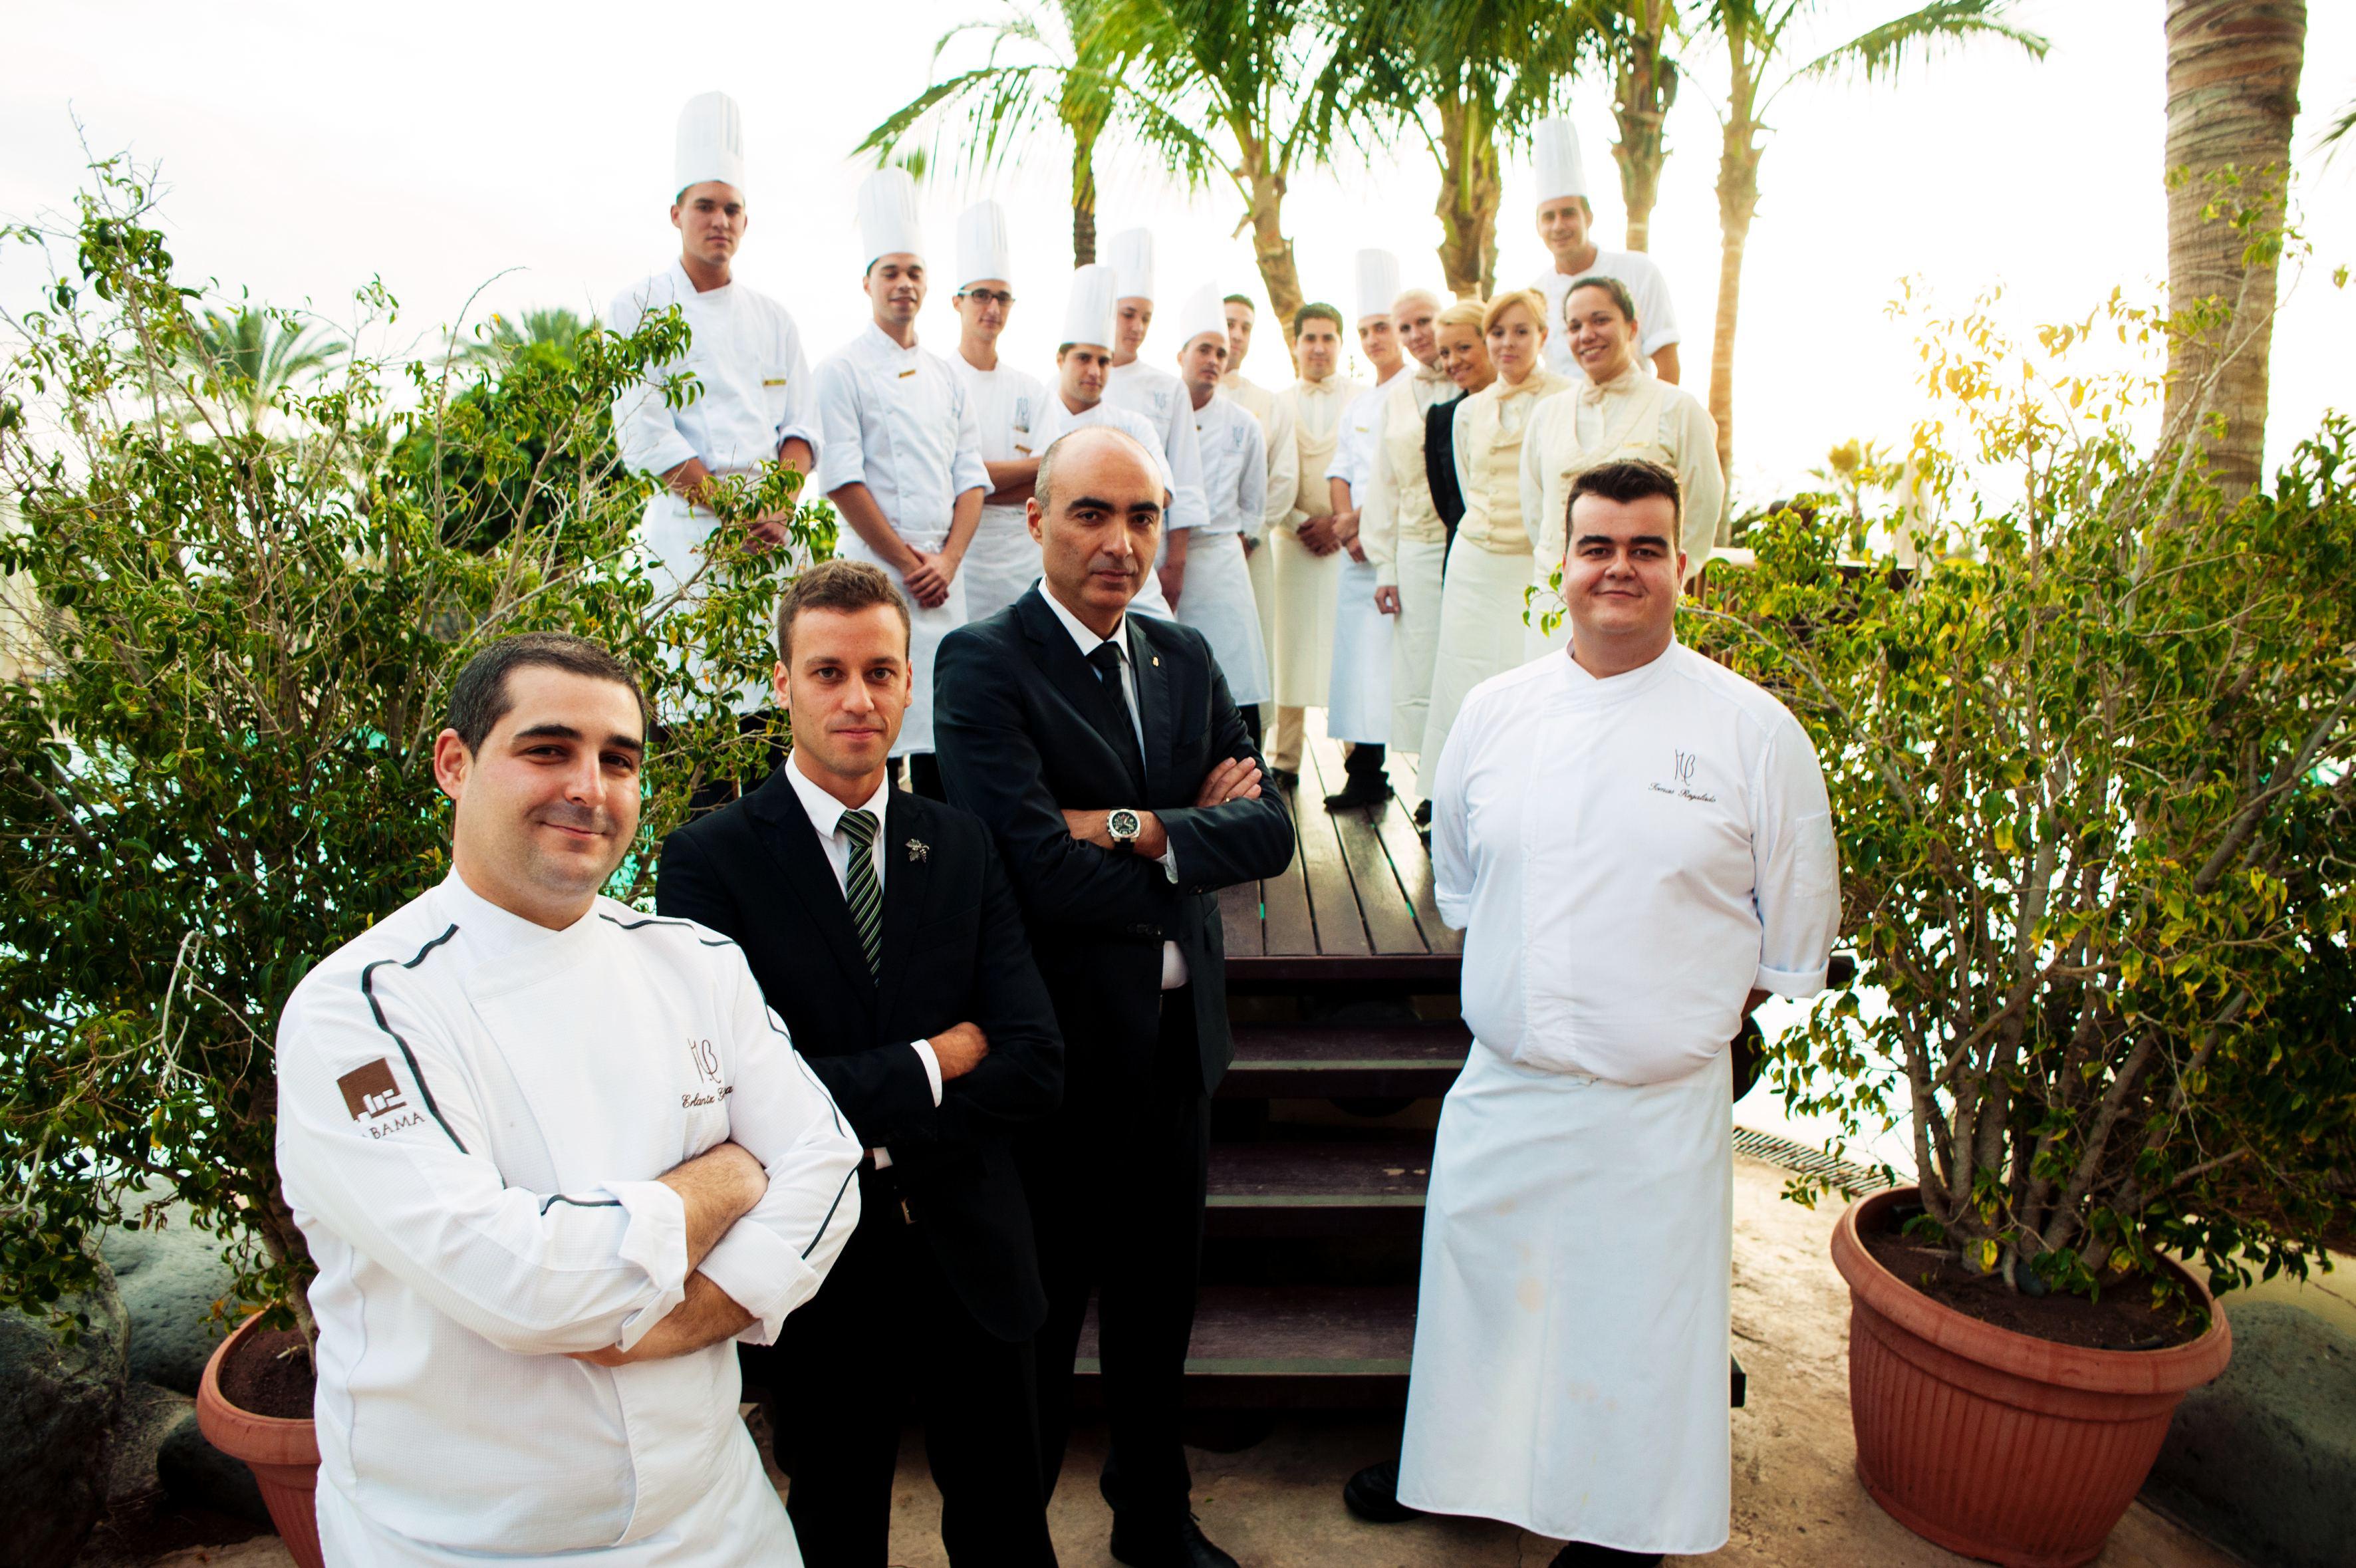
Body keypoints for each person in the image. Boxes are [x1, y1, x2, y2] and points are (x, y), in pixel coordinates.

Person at [276, 632, 864, 1567]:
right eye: (548, 750)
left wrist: (693, 1312)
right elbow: (523, 1283)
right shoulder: (362, 1012)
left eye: (618, 760)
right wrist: (725, 1179)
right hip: (462, 1546)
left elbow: (827, 1166)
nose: (590, 788)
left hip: (718, 1518)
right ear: (454, 763)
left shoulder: (694, 961)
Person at [1345, 459, 1841, 1566]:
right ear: (1558, 563)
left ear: (1683, 568)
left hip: (1654, 1106)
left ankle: (1622, 1532)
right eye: (1597, 546)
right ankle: (1460, 1472)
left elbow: (1788, 938)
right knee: (1484, 1301)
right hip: (1505, 1081)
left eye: (1644, 547)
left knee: (1634, 1333)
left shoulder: (1755, 734)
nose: (1619, 568)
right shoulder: (1492, 713)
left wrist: (1664, 1019)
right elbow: (1464, 883)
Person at [934, 426, 1295, 1568]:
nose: (1119, 542)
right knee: (1034, 1323)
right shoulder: (983, 663)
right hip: (1058, 1050)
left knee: (1156, 1308)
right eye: (1091, 512)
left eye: (1141, 516)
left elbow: (1270, 832)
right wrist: (1192, 837)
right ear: (1036, 518)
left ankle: (1151, 1516)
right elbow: (1032, 869)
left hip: (1177, 1048)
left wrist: (1129, 825)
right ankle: (1015, 1543)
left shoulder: (1182, 654)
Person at [656, 561, 1064, 1567]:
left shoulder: (962, 844)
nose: (857, 699)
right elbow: (736, 1098)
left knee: (1009, 1529)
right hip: (821, 1266)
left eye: (880, 672)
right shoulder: (709, 860)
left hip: (976, 1247)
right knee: (835, 1528)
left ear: (909, 682)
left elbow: (1032, 1061)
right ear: (783, 681)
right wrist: (935, 1057)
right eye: (828, 672)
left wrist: (847, 1102)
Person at [607, 92, 820, 785]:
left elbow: (801, 429)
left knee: (774, 735)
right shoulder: (637, 306)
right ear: (676, 214)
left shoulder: (774, 318)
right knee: (692, 737)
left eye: (731, 209)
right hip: (686, 546)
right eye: (705, 206)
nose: (719, 221)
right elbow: (645, 433)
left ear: (746, 221)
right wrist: (733, 511)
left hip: (771, 549)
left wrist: (776, 507)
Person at [813, 168, 988, 799]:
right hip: (876, 573)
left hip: (945, 581)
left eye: (914, 272)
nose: (904, 284)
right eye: (890, 272)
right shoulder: (840, 370)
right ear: (867, 283)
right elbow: (843, 480)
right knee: (872, 728)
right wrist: (908, 564)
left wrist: (948, 561)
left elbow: (972, 478)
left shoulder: (948, 376)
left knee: (946, 737)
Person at [1415, 289, 1570, 797]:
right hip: (1474, 565)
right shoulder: (1467, 412)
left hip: (1535, 566)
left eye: (1521, 331)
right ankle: (1456, 795)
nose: (1508, 343)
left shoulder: (1566, 400)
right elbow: (1465, 486)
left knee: (1530, 677)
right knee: (1463, 676)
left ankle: (1526, 796)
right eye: (1497, 333)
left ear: (1542, 336)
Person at [1521, 275, 1724, 658]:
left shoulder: (1678, 409)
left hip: (1640, 607)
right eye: (1575, 326)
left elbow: (1702, 510)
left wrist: (1659, 585)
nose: (1587, 335)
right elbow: (1536, 511)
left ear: (1632, 326)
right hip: (1554, 602)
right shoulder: (1547, 414)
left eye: (1600, 320)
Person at [1029, 264, 1180, 620]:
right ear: (1060, 360)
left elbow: (1162, 494)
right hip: (1046, 569)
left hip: (1126, 579)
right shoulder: (1037, 416)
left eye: (1104, 361)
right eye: (1084, 359)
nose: (1095, 371)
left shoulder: (1133, 424)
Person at [1359, 286, 1459, 817]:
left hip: (1469, 544)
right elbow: (1384, 484)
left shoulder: (1476, 377)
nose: (1417, 334)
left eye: (1425, 321)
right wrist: (1385, 566)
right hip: (1416, 547)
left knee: (1467, 662)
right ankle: (1432, 786)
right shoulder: (1396, 398)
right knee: (1422, 666)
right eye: (1406, 327)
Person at [1317, 251, 1410, 811]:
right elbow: (1340, 471)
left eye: (1383, 327)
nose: (1375, 339)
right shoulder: (1358, 403)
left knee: (1411, 660)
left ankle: (1429, 783)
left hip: (1404, 545)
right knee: (1359, 663)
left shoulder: (1421, 391)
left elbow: (1407, 474)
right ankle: (1365, 774)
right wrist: (1348, 527)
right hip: (1357, 555)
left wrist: (1365, 524)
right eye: (1366, 331)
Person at [1168, 283, 1274, 743]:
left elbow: (1254, 504)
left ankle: (1249, 771)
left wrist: (1238, 545)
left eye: (1221, 353)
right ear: (1181, 355)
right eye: (1204, 350)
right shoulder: (1159, 414)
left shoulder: (1244, 425)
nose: (1213, 360)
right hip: (1165, 561)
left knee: (1236, 673)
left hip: (1222, 561)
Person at [1267, 303, 1367, 789]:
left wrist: (1341, 525)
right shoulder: (1277, 403)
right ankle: (1284, 758)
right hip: (1292, 542)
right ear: (1295, 343)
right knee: (1289, 648)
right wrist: (1302, 522)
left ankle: (1358, 760)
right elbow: (1270, 473)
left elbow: (1372, 467)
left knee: (1346, 649)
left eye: (1329, 338)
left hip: (1349, 543)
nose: (1319, 348)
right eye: (1310, 338)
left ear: (1341, 343)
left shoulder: (1363, 398)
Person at [948, 199, 1052, 622]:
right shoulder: (940, 381)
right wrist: (1029, 468)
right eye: (981, 296)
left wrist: (971, 484)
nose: (992, 308)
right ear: (957, 302)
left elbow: (1050, 479)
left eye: (1003, 298)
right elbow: (942, 478)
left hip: (1023, 557)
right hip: (961, 556)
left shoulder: (1030, 389)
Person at [1528, 116, 1682, 387]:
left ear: (1588, 217)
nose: (1558, 226)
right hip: (1563, 411)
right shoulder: (1535, 295)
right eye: (1549, 217)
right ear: (1538, 227)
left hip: (1633, 407)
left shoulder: (1639, 271)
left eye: (1568, 214)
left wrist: (1654, 412)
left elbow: (1668, 366)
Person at [1218, 294, 1300, 731]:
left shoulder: (1269, 403)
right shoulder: (1179, 396)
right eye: (1228, 323)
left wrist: (1250, 534)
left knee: (1254, 646)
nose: (1235, 335)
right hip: (1192, 548)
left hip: (1252, 548)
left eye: (1245, 327)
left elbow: (1283, 479)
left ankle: (1252, 748)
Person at [1103, 229, 1212, 545]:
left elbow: (1186, 479)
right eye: (1128, 315)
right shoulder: (1068, 387)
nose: (1138, 327)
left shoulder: (1170, 388)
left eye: (1146, 318)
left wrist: (1177, 559)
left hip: (1152, 541)